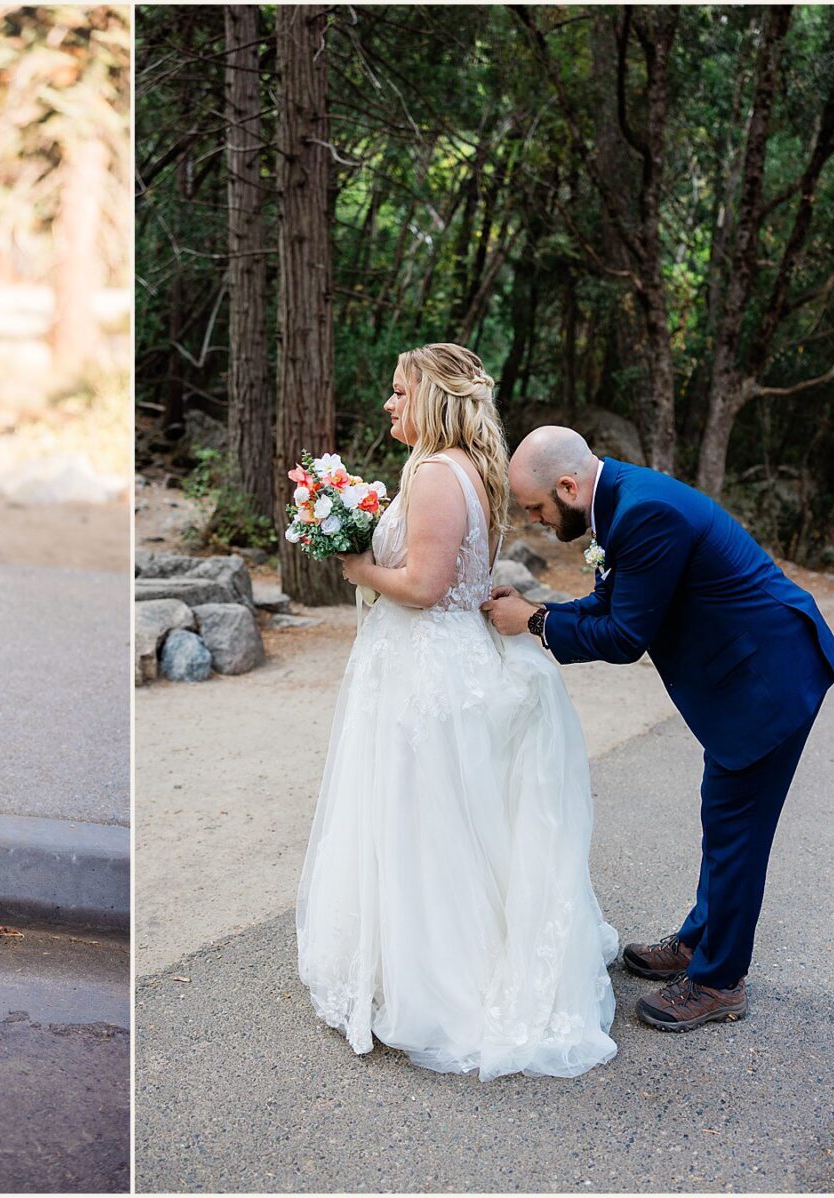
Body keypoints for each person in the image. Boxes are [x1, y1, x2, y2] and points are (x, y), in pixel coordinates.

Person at [297, 344, 619, 1080]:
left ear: (434, 400)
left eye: (400, 391)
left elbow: (422, 583)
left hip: (426, 667)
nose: (389, 404)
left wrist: (355, 566)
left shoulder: (440, 474)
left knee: (424, 820)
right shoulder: (466, 470)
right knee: (439, 816)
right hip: (436, 658)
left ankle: (436, 975)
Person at [483, 426, 834, 1032]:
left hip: (768, 679)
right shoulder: (618, 498)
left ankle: (719, 980)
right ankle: (700, 941)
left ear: (568, 486)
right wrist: (535, 612)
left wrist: (537, 621)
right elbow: (611, 606)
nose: (537, 520)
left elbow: (626, 637)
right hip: (745, 672)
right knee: (723, 820)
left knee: (737, 833)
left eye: (537, 508)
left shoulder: (643, 511)